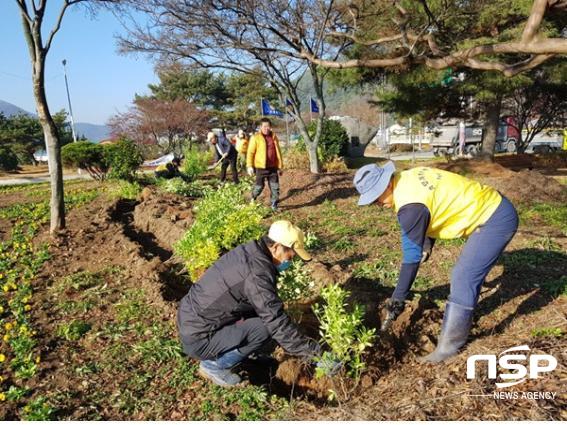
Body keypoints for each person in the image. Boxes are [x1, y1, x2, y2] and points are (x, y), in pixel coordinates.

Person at [353, 162, 518, 363]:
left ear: (387, 184)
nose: (377, 204)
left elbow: (411, 258)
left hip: (495, 218)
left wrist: (398, 298)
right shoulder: (408, 177)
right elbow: (435, 203)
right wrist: (426, 242)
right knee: (466, 273)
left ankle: (449, 347)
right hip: (489, 203)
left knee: (463, 276)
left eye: (376, 197)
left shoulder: (409, 208)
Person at [177, 220, 339, 387]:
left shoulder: (251, 252)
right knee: (264, 329)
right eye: (291, 253)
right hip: (200, 337)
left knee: (264, 313)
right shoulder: (257, 273)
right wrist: (317, 356)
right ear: (276, 246)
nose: (292, 258)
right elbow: (275, 322)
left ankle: (248, 352)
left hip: (191, 319)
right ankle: (214, 365)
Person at [246, 118, 283, 211]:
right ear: (260, 127)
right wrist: (249, 166)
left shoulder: (274, 137)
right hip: (261, 168)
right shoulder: (255, 137)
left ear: (270, 127)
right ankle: (252, 198)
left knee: (275, 188)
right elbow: (250, 152)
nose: (266, 128)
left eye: (268, 126)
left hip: (273, 168)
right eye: (264, 126)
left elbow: (278, 152)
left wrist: (280, 166)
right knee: (259, 187)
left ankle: (274, 205)